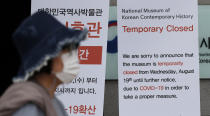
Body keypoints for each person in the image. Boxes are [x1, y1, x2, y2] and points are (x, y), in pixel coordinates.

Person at [0, 11, 88, 116]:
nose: (74, 57)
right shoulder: (29, 106)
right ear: (46, 59)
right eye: (67, 50)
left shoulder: (51, 101)